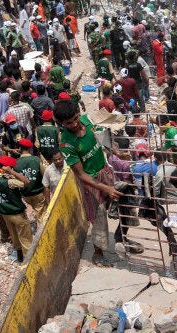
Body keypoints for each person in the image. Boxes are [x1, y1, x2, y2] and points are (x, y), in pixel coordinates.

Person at [54, 100, 123, 266]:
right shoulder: (66, 143)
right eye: (69, 123)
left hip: (104, 169)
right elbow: (80, 174)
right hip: (91, 182)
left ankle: (123, 234)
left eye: (76, 119)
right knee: (98, 218)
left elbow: (101, 138)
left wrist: (112, 148)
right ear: (61, 123)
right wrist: (105, 187)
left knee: (121, 199)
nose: (75, 124)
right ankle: (98, 252)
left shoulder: (87, 120)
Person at [0, 156, 33, 263]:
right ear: (7, 168)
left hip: (4, 213)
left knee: (14, 235)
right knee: (25, 237)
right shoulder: (10, 182)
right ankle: (29, 260)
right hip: (16, 213)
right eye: (11, 168)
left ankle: (19, 256)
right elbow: (26, 182)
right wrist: (13, 173)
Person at [14, 139, 47, 222]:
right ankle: (43, 232)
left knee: (35, 211)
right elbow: (44, 175)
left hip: (25, 194)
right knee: (41, 215)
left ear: (20, 148)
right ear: (29, 149)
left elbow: (15, 179)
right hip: (38, 192)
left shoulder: (15, 163)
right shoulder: (36, 159)